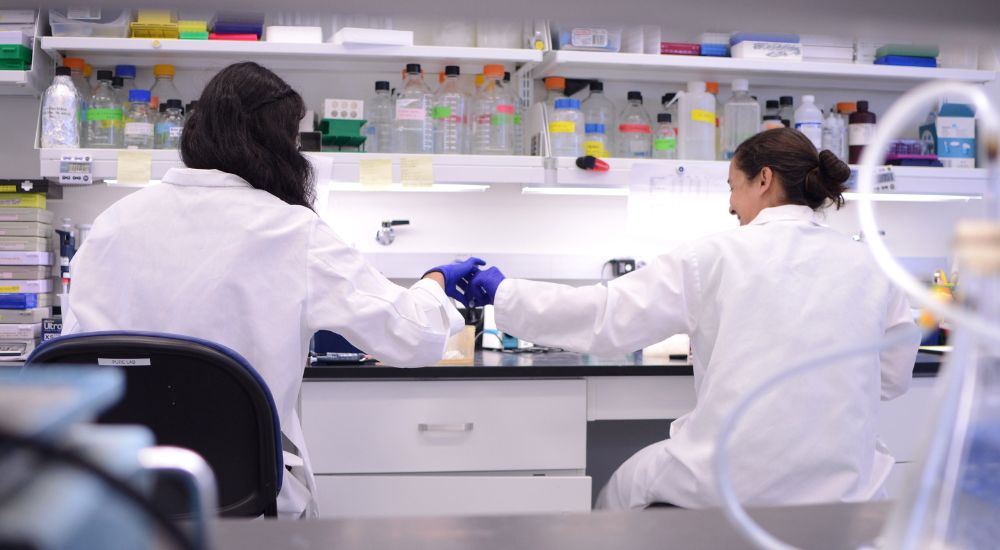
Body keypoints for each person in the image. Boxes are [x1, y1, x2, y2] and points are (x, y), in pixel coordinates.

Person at [62, 62, 482, 518]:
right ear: (276, 144)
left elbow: (73, 358)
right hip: (245, 502)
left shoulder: (111, 224)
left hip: (118, 495)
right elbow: (411, 336)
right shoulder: (290, 230)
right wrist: (435, 285)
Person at [462, 128, 921, 509]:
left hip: (731, 486)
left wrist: (503, 292)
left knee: (618, 492)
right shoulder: (874, 266)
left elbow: (605, 318)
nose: (729, 205)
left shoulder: (715, 256)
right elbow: (893, 380)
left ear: (763, 180)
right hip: (848, 494)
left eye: (731, 187)